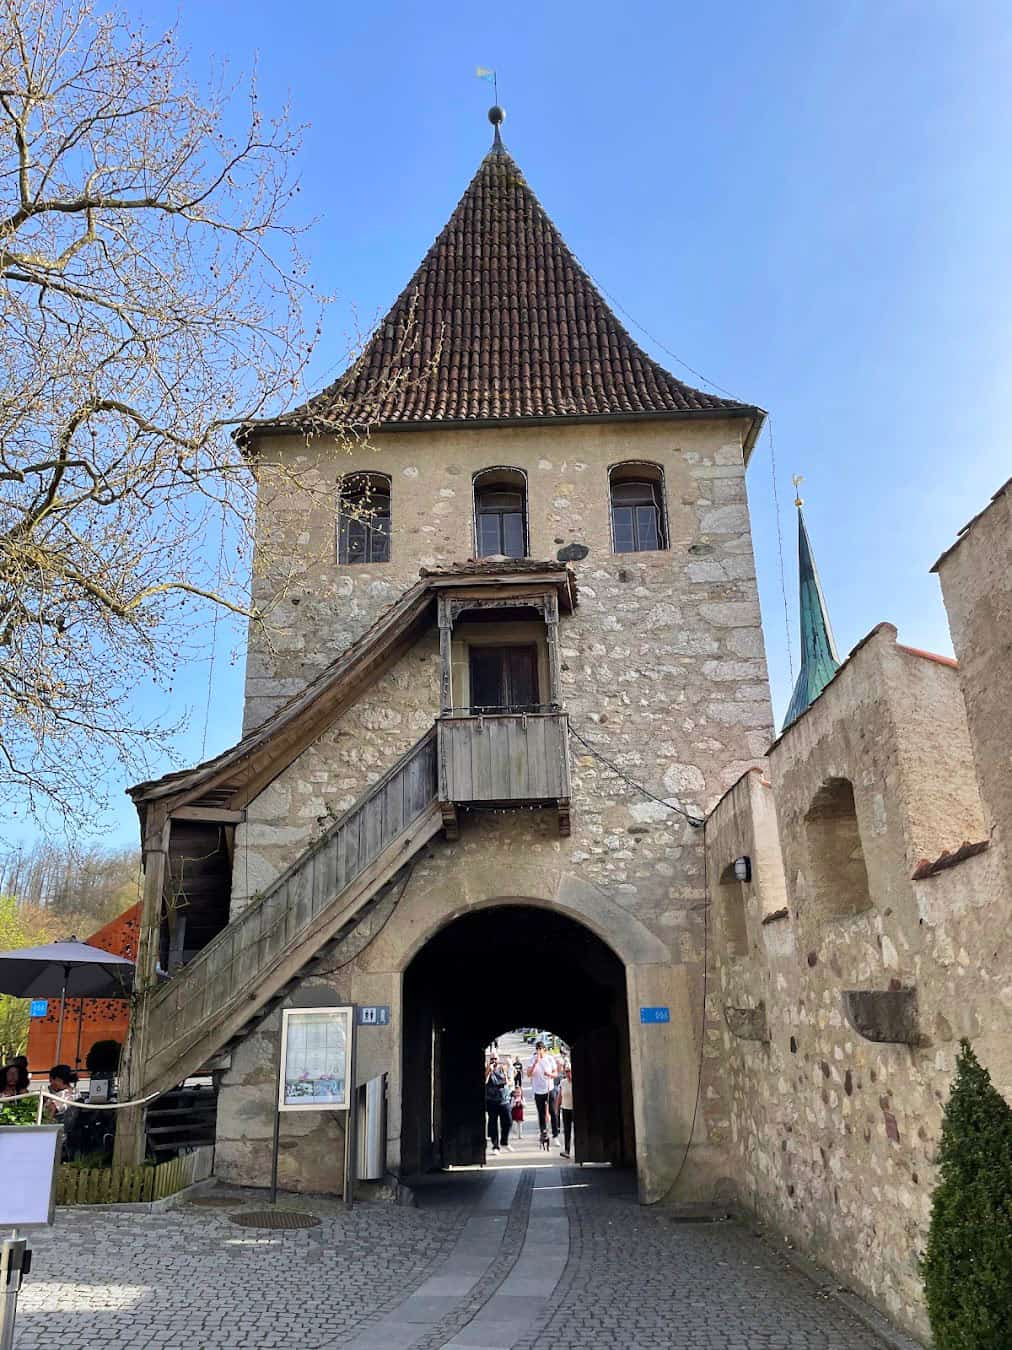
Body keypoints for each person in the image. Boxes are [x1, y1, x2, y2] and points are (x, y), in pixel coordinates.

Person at [526, 1040, 558, 1140]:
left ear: (544, 1049)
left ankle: (555, 1134)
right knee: (541, 1113)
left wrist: (549, 1075)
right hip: (538, 1090)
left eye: (540, 1049)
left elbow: (556, 1074)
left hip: (549, 1089)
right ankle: (543, 1132)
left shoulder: (550, 1059)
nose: (539, 1051)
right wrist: (535, 1063)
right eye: (537, 1049)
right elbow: (528, 1074)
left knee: (552, 1111)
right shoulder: (532, 1059)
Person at [484, 1053, 512, 1153]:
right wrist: (488, 1071)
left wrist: (506, 1076)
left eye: (495, 1059)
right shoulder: (487, 1069)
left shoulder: (502, 1068)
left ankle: (504, 1141)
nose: (494, 1061)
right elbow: (485, 1082)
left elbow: (509, 1082)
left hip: (504, 1099)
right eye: (492, 1059)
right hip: (492, 1100)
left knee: (508, 1121)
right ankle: (495, 1146)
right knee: (493, 1123)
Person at [559, 1059, 574, 1159]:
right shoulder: (563, 1082)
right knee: (567, 1131)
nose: (568, 1073)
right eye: (566, 1072)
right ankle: (567, 1151)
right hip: (565, 1109)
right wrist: (556, 1109)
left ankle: (580, 1150)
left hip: (575, 1109)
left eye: (569, 1071)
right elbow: (559, 1096)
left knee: (578, 1130)